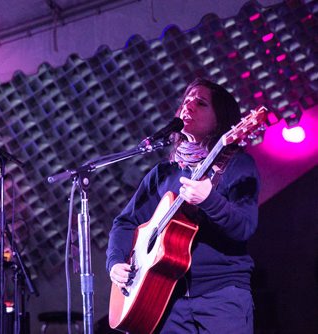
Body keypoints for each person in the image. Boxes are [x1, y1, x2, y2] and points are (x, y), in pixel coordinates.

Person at [106, 78, 260, 333]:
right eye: (186, 100)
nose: (189, 105)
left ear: (220, 120)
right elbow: (125, 222)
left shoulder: (237, 165)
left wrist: (209, 200)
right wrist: (115, 262)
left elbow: (244, 226)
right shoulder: (163, 173)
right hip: (167, 298)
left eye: (200, 103)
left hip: (222, 295)